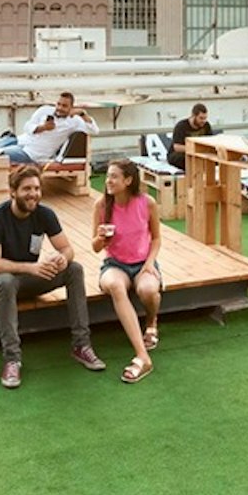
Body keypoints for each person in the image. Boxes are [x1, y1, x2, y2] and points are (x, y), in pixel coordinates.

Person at [0, 165, 105, 388]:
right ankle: (12, 359)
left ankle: (81, 345)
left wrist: (62, 259)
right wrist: (32, 268)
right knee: (6, 281)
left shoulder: (44, 213)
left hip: (28, 279)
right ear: (12, 191)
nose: (33, 194)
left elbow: (67, 248)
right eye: (27, 188)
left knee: (74, 269)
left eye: (37, 188)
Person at [92, 159, 163, 383]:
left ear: (128, 180)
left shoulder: (147, 203)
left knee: (148, 290)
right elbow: (95, 248)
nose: (108, 181)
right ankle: (143, 355)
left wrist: (150, 264)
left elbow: (157, 238)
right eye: (108, 176)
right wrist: (101, 238)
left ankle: (151, 323)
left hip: (143, 262)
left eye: (114, 176)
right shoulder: (102, 205)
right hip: (116, 264)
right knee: (115, 285)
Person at [0, 91, 98, 167]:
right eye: (58, 104)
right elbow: (27, 126)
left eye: (64, 106)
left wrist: (83, 113)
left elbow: (94, 130)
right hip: (20, 140)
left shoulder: (74, 121)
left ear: (71, 107)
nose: (60, 108)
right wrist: (42, 128)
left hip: (32, 153)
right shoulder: (45, 110)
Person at [168, 102, 218, 169]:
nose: (203, 121)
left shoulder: (206, 126)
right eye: (201, 118)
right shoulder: (181, 126)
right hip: (181, 153)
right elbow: (177, 147)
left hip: (199, 153)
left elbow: (210, 141)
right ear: (193, 116)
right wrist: (195, 150)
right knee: (186, 159)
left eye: (205, 118)